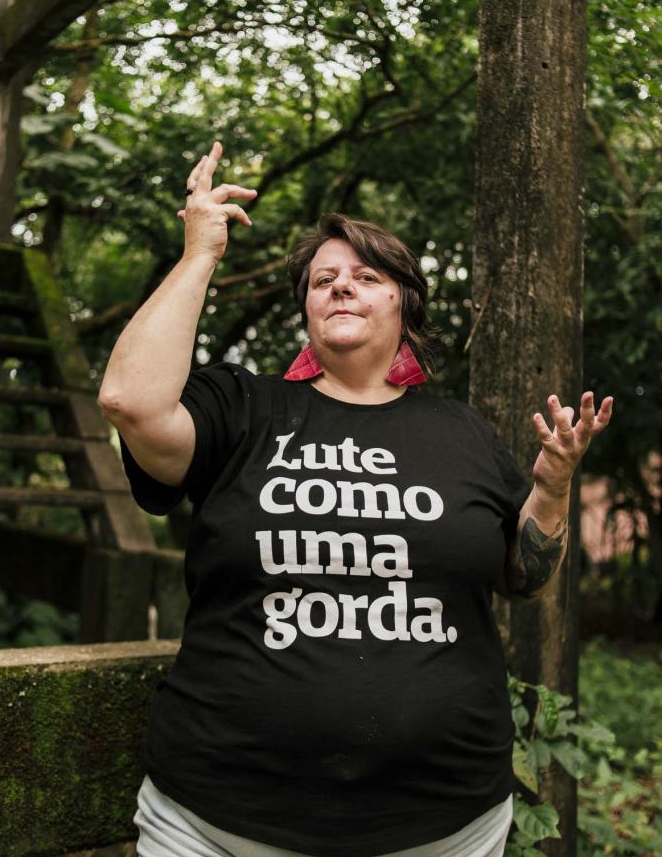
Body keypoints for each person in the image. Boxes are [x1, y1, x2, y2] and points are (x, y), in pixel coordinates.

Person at [98, 142, 613, 857]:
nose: (339, 288)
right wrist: (198, 256)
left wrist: (551, 489)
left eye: (365, 276)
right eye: (321, 280)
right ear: (305, 307)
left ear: (403, 302)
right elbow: (129, 400)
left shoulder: (459, 433)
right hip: (215, 822)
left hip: (444, 827)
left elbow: (524, 579)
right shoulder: (241, 407)